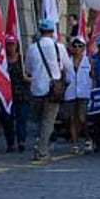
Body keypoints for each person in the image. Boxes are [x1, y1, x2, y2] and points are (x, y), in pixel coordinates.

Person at [24, 18, 71, 162]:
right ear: (53, 31)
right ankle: (42, 152)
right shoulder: (59, 47)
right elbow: (67, 66)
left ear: (40, 31)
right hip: (53, 89)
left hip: (37, 88)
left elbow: (28, 70)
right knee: (48, 121)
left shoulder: (32, 48)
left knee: (38, 121)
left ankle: (39, 146)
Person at [0, 34, 30, 153]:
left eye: (13, 44)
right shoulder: (2, 60)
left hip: (22, 93)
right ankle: (10, 142)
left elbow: (31, 75)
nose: (11, 47)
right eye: (8, 45)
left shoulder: (23, 60)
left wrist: (27, 78)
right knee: (7, 119)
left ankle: (21, 140)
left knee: (21, 119)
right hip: (6, 95)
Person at [64, 36, 92, 155]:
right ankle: (75, 143)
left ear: (84, 47)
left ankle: (87, 138)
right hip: (70, 92)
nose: (77, 48)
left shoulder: (89, 61)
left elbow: (93, 76)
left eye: (80, 46)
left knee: (82, 117)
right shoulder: (67, 61)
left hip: (84, 92)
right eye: (74, 46)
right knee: (72, 119)